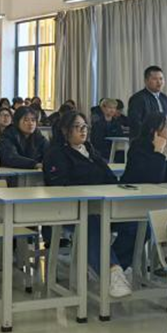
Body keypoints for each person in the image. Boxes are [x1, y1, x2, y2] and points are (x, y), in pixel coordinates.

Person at [43, 110, 134, 298]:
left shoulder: (90, 151)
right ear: (65, 130)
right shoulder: (56, 154)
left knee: (138, 223)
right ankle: (110, 270)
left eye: (84, 127)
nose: (83, 131)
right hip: (72, 210)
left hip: (102, 206)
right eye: (77, 127)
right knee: (92, 223)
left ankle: (109, 267)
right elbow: (60, 185)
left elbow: (109, 178)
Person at [127, 65, 167, 139]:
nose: (159, 82)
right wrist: (152, 135)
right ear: (146, 81)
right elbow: (135, 122)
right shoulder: (138, 98)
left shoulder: (165, 98)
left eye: (161, 79)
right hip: (143, 140)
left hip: (162, 139)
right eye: (155, 79)